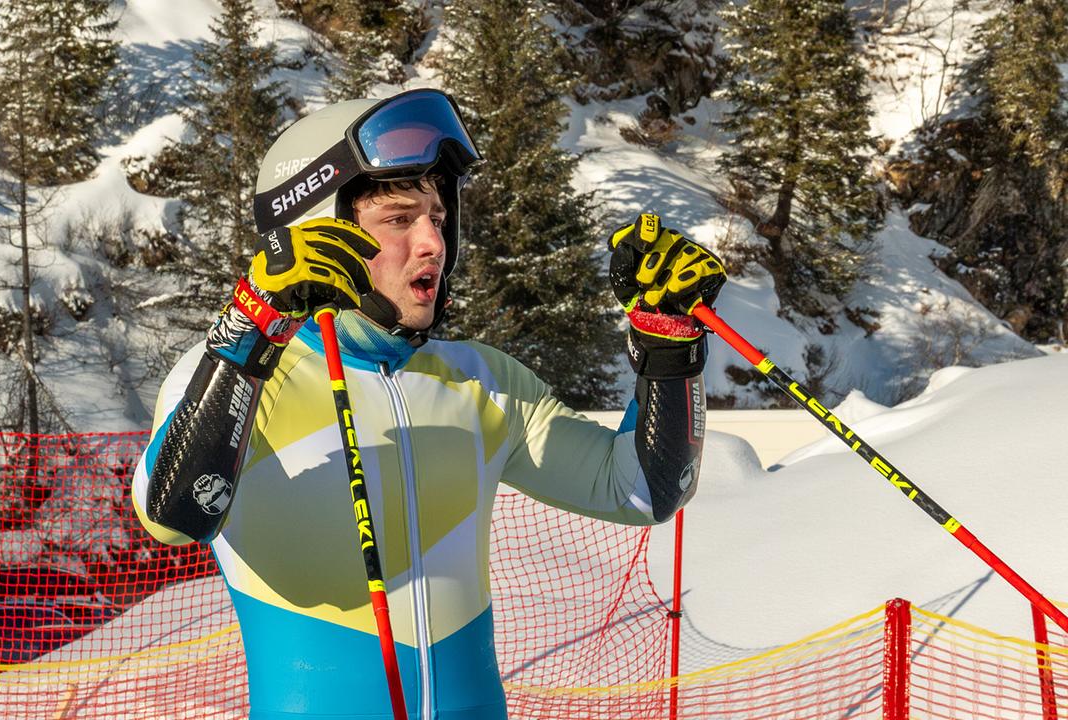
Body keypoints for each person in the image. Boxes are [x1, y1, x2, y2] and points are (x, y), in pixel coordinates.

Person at [131, 88, 726, 720]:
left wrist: (668, 352)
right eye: (399, 219)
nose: (432, 243)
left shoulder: (482, 379)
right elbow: (172, 518)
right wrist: (251, 334)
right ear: (314, 229)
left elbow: (643, 491)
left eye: (438, 219)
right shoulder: (233, 372)